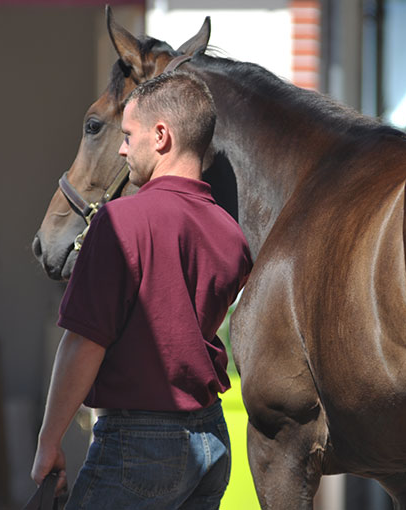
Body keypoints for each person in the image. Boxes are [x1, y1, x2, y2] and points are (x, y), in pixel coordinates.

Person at [31, 71, 252, 509]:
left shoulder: (118, 223)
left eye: (129, 135)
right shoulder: (232, 235)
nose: (121, 147)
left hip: (139, 445)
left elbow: (83, 343)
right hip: (210, 443)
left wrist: (48, 442)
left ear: (162, 136)